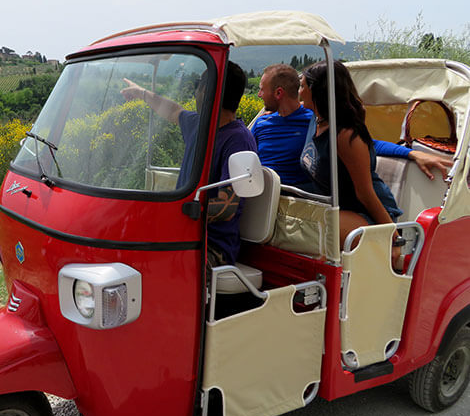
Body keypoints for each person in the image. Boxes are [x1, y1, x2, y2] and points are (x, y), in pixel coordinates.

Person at [122, 61, 256, 267]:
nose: (195, 93)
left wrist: (176, 212)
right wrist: (141, 93)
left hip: (211, 247)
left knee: (150, 264)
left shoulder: (238, 140)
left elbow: (227, 206)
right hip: (182, 236)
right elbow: (173, 111)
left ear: (210, 91)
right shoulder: (198, 125)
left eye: (199, 85)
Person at [252, 63, 452, 188]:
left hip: (298, 195)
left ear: (278, 93)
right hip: (263, 194)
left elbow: (364, 143)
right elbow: (245, 153)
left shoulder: (314, 121)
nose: (259, 95)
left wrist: (411, 153)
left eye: (262, 90)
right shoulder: (261, 122)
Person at [298, 60, 402, 258]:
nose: (299, 91)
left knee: (315, 232)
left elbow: (366, 194)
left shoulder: (345, 134)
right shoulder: (315, 120)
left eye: (302, 86)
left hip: (368, 215)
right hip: (337, 211)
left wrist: (394, 237)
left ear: (317, 90)